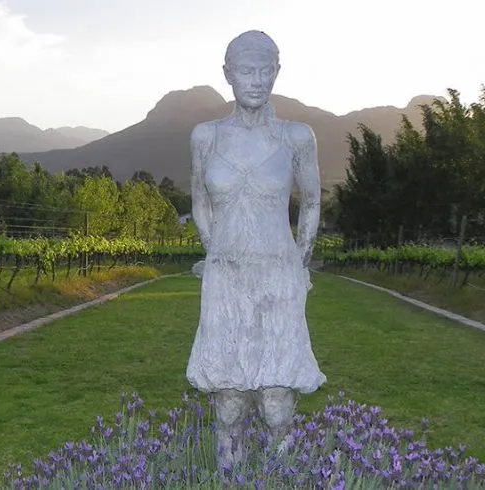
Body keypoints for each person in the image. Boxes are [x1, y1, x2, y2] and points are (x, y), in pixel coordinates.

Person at [184, 30, 326, 468]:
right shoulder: (205, 136)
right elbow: (200, 201)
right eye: (247, 70)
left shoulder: (296, 137)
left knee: (276, 404)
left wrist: (298, 260)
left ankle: (279, 475)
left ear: (277, 73)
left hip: (278, 275)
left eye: (266, 71)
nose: (257, 80)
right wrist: (216, 254)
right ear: (228, 74)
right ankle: (230, 476)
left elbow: (313, 202)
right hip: (226, 278)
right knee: (228, 404)